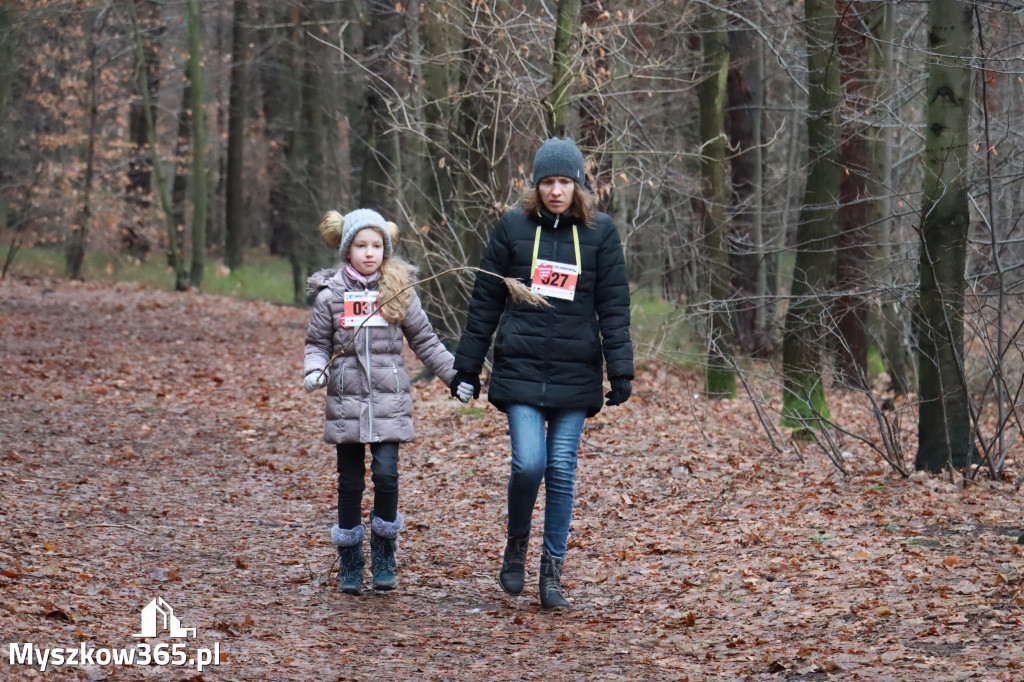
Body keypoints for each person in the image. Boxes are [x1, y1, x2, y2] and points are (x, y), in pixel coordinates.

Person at [450, 137, 634, 609]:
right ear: (536, 185)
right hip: (522, 368)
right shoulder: (513, 226)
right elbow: (484, 301)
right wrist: (466, 367)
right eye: (548, 182)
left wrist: (621, 369)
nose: (556, 191)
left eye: (565, 182)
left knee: (561, 470)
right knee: (529, 463)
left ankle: (551, 573)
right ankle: (516, 545)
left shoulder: (601, 234)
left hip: (576, 373)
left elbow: (613, 307)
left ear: (579, 186)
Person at [304, 208, 460, 595]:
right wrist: (315, 369)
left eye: (376, 246)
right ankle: (351, 562)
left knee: (387, 475)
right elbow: (317, 344)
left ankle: (385, 552)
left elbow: (425, 340)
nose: (369, 253)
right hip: (347, 402)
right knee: (350, 482)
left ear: (385, 250)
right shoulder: (331, 297)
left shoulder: (398, 291)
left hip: (389, 401)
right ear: (347, 250)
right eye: (361, 245)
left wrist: (455, 376)